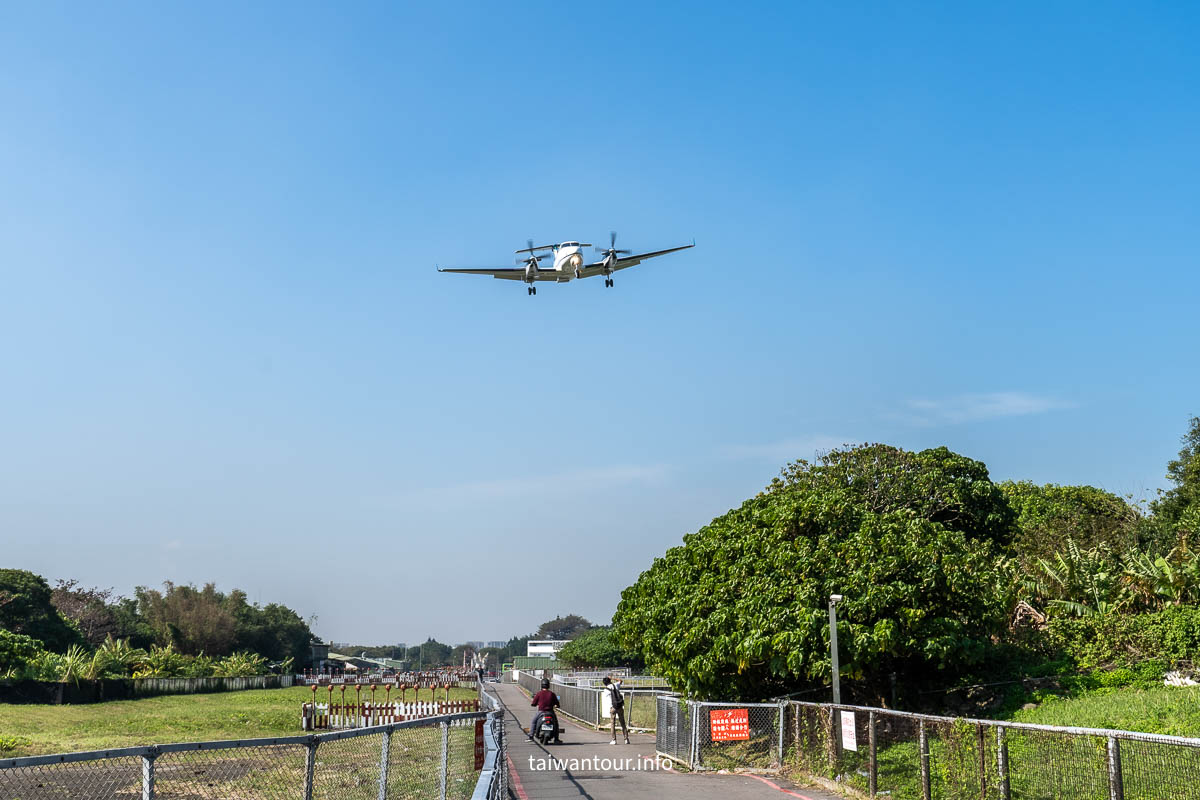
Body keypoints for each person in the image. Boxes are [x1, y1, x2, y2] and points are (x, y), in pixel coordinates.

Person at [529, 679, 562, 743]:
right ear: (548, 685)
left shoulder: (539, 693)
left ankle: (531, 736)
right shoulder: (552, 694)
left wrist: (534, 704)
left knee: (533, 722)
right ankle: (556, 738)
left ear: (541, 685)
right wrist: (556, 705)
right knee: (556, 724)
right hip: (550, 712)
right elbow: (557, 703)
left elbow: (534, 703)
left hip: (541, 712)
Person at [602, 676, 629, 744]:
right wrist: (613, 678)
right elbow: (620, 680)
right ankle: (626, 739)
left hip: (613, 708)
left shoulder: (605, 690)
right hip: (619, 706)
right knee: (622, 723)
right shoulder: (615, 685)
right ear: (610, 680)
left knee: (612, 724)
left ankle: (614, 740)